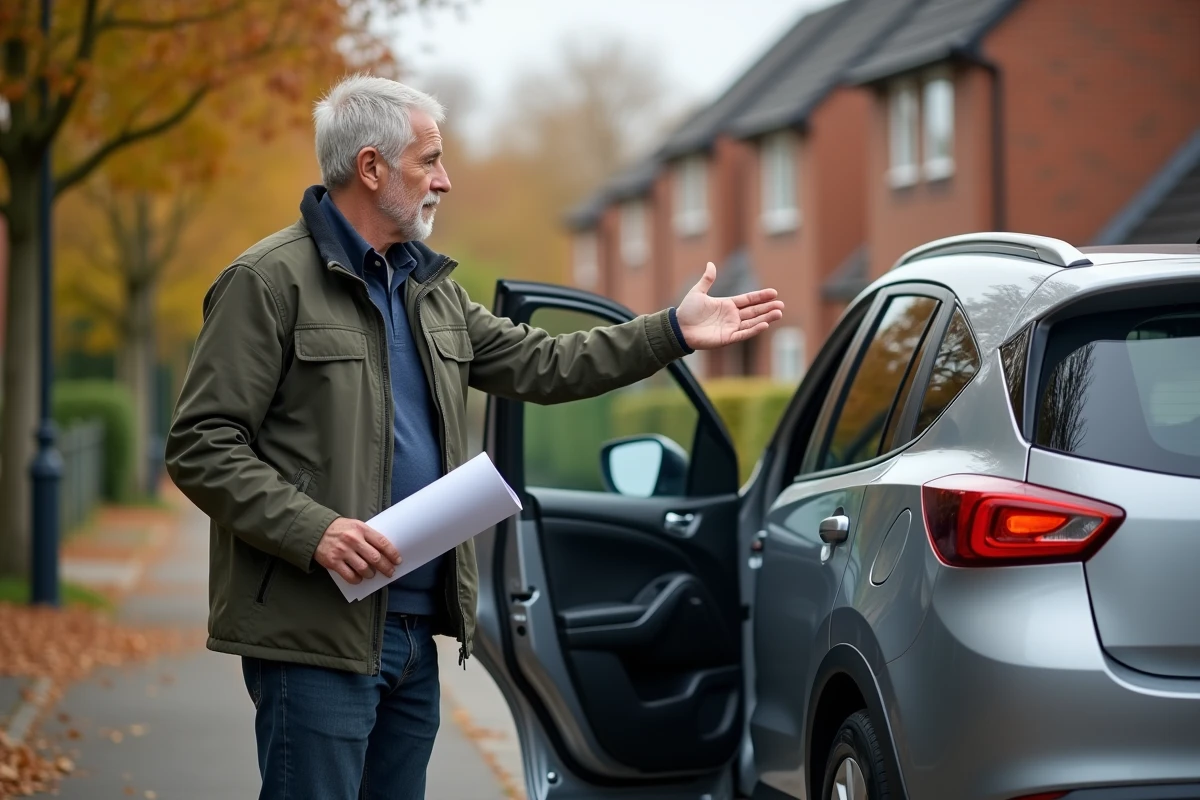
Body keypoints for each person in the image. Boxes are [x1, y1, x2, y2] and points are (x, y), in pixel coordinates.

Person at [164, 74, 784, 800]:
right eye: (429, 160)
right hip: (314, 639)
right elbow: (201, 443)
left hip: (412, 637)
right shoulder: (267, 282)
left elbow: (547, 364)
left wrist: (671, 332)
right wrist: (317, 531)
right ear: (371, 167)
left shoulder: (431, 292)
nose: (445, 180)